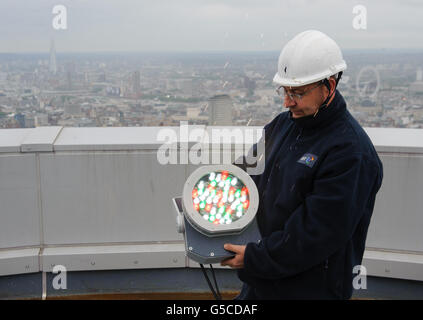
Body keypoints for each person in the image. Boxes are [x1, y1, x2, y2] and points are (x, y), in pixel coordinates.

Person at [221, 30, 383, 300]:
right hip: (265, 279)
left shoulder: (351, 153)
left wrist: (255, 257)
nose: (287, 101)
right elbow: (245, 172)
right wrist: (210, 199)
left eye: (297, 92)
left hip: (310, 289)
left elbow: (314, 235)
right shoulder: (283, 124)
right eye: (285, 90)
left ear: (329, 86)